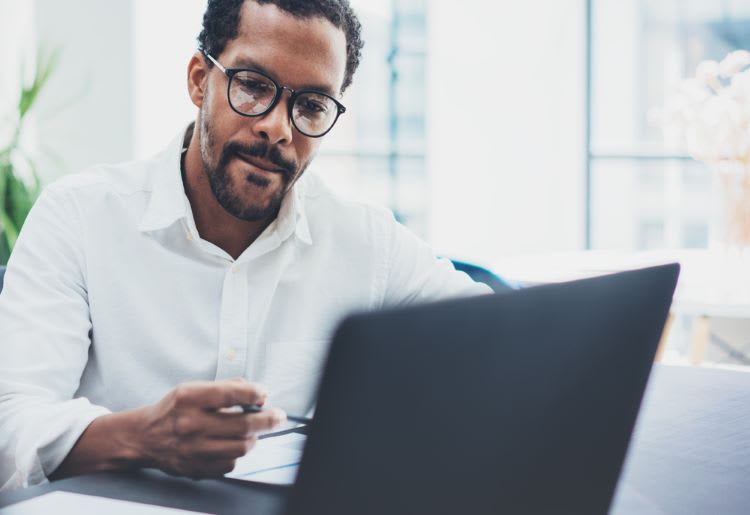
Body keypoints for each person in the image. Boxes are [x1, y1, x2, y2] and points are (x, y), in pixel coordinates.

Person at [0, 0, 487, 490]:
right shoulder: (79, 217)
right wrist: (146, 437)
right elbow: (10, 424)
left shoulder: (365, 240)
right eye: (253, 86)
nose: (278, 128)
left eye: (312, 105)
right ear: (198, 80)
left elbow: (496, 343)